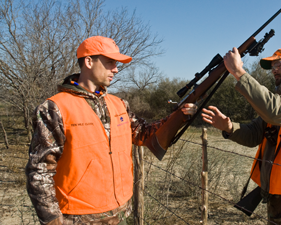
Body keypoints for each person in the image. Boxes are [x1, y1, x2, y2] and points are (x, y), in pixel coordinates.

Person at [25, 36, 197, 225]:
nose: (115, 69)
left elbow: (143, 134)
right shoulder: (54, 108)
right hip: (77, 217)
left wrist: (179, 115)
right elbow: (39, 171)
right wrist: (52, 221)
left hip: (121, 212)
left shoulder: (119, 104)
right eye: (110, 62)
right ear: (89, 61)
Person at [202, 46, 281, 225]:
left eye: (279, 64)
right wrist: (229, 127)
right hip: (274, 195)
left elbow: (274, 110)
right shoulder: (280, 101)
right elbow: (254, 134)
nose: (274, 69)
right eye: (272, 66)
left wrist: (239, 72)